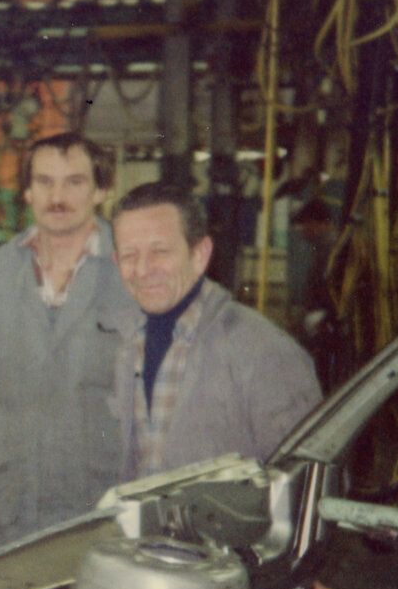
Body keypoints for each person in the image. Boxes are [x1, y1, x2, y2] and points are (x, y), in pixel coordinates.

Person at [0, 132, 139, 557]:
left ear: (102, 190)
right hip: (6, 507)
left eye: (74, 182)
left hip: (103, 511)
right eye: (44, 182)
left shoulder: (133, 277)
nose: (57, 196)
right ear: (26, 192)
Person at [109, 182, 322, 480]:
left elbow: (308, 481)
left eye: (160, 251)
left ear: (200, 254)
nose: (143, 270)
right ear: (116, 262)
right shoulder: (126, 344)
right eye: (130, 255)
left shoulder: (264, 352)